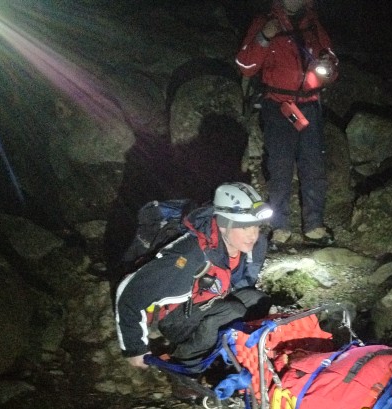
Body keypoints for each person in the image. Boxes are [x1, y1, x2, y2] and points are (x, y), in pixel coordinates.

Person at [116, 182, 273, 370]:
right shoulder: (191, 254)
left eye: (255, 227)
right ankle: (183, 365)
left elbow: (239, 283)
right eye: (244, 228)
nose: (252, 235)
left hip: (211, 299)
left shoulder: (249, 247)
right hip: (175, 318)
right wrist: (134, 348)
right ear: (224, 226)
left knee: (258, 300)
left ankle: (230, 355)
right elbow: (129, 292)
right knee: (232, 312)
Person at [235, 0, 338, 248]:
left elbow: (333, 64)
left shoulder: (313, 24)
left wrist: (328, 66)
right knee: (279, 167)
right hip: (278, 106)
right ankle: (280, 227)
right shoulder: (265, 22)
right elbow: (245, 66)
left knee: (313, 165)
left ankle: (314, 225)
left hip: (309, 106)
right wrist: (263, 37)